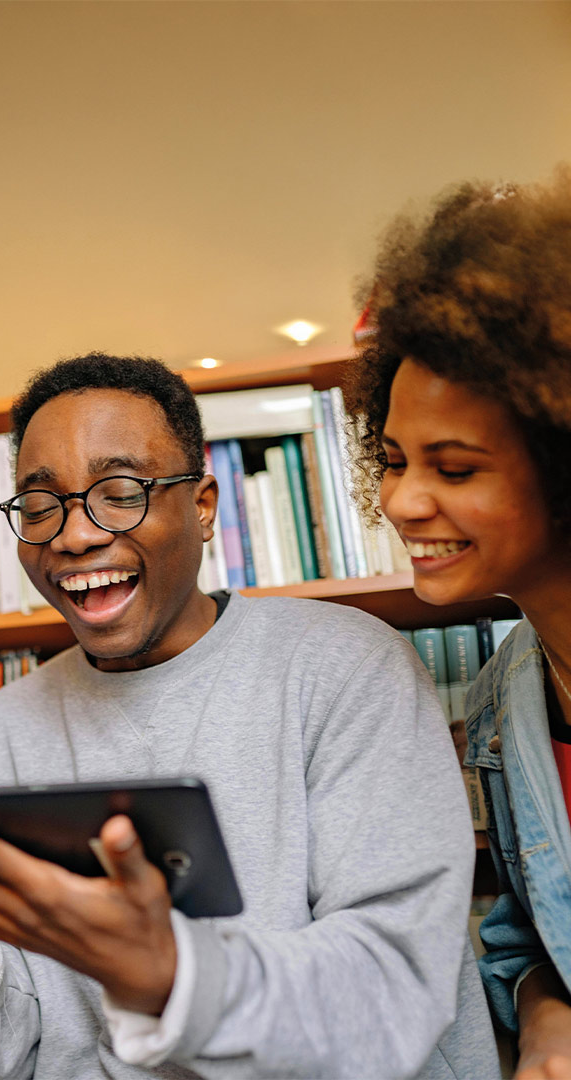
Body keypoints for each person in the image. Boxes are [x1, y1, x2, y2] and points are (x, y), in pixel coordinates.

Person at [0, 353, 499, 1079]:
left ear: (203, 506)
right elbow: (21, 1057)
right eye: (41, 505)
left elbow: (391, 989)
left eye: (119, 492)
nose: (74, 536)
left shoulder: (348, 667)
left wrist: (170, 972)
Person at [346, 172, 571, 1079]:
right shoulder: (502, 697)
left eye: (457, 466)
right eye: (394, 460)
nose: (401, 499)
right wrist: (545, 1010)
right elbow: (526, 931)